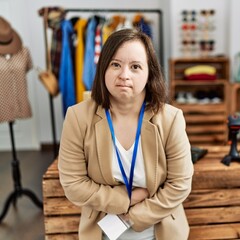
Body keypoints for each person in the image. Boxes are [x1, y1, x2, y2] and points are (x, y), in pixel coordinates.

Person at [58, 28, 194, 240]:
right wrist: (128, 198)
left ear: (150, 73)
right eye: (115, 64)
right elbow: (73, 185)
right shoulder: (77, 117)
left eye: (135, 66)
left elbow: (180, 185)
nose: (124, 75)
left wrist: (131, 217)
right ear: (103, 68)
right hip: (101, 232)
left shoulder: (171, 119)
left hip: (161, 230)